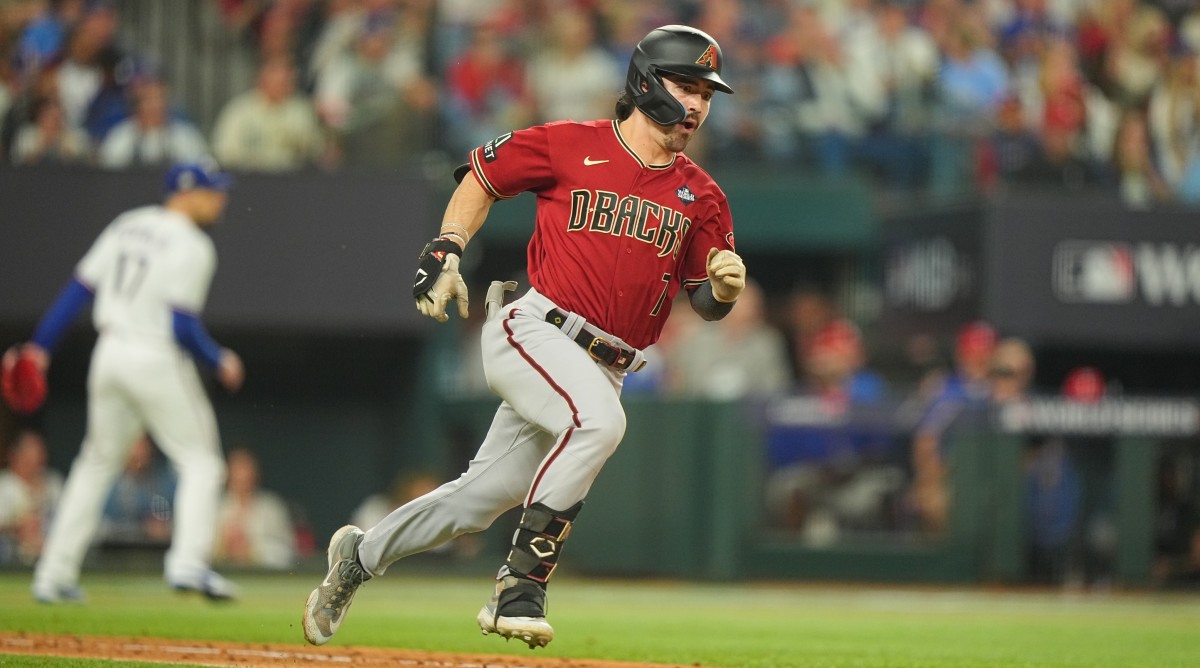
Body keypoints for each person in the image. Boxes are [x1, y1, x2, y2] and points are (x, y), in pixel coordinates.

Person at [302, 24, 745, 650]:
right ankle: (520, 584)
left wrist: (723, 291)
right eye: (687, 85)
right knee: (600, 425)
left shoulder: (703, 196)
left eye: (707, 92)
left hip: (608, 364)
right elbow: (483, 175)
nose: (699, 104)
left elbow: (704, 302)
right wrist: (447, 247)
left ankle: (357, 557)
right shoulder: (570, 143)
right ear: (647, 82)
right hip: (534, 328)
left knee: (475, 502)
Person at [4, 161, 245, 604]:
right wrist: (219, 359)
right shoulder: (194, 245)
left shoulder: (127, 224)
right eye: (212, 191)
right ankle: (188, 562)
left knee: (95, 464)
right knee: (202, 463)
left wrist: (41, 346)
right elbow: (181, 324)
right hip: (154, 355)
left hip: (109, 353)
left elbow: (78, 289)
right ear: (187, 193)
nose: (220, 199)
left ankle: (52, 574)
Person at [214, 447, 297, 570]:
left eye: (245, 468)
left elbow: (288, 553)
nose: (241, 476)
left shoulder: (272, 508)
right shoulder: (215, 507)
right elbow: (200, 552)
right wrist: (224, 546)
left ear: (255, 473)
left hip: (265, 579)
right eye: (236, 469)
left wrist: (252, 550)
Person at [100, 433, 176, 548]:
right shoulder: (109, 482)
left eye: (144, 446)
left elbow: (176, 513)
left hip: (157, 549)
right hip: (115, 549)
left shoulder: (164, 478)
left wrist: (165, 525)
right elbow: (103, 524)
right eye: (135, 447)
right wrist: (142, 528)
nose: (141, 453)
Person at [0, 429, 64, 566]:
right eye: (30, 456)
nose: (36, 461)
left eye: (39, 455)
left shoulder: (53, 483)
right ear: (15, 456)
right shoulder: (4, 485)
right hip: (9, 558)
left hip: (51, 552)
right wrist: (18, 527)